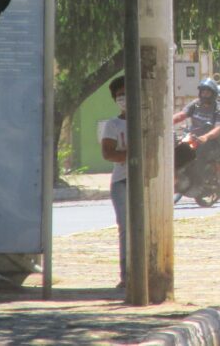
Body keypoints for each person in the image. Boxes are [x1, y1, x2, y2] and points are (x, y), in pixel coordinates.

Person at [172, 78, 220, 192]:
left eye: (207, 92)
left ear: (213, 94)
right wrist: (167, 121)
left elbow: (218, 129)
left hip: (213, 143)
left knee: (199, 156)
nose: (204, 95)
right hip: (194, 139)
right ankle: (178, 180)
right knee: (176, 154)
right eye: (203, 92)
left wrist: (206, 137)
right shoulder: (196, 104)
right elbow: (182, 115)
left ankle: (198, 184)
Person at [100, 75, 128, 289]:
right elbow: (108, 153)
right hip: (122, 182)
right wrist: (131, 155)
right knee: (125, 228)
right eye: (119, 95)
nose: (124, 98)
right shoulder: (113, 124)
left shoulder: (150, 121)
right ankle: (126, 275)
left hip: (147, 182)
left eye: (127, 93)